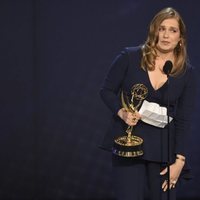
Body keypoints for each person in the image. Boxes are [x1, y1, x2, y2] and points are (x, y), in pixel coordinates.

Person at [99, 7, 197, 200]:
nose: (166, 35)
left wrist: (179, 161)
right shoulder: (129, 57)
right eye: (162, 29)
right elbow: (106, 91)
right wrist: (122, 112)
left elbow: (184, 120)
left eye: (173, 30)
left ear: (181, 38)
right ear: (154, 31)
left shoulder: (187, 73)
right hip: (129, 145)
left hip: (163, 148)